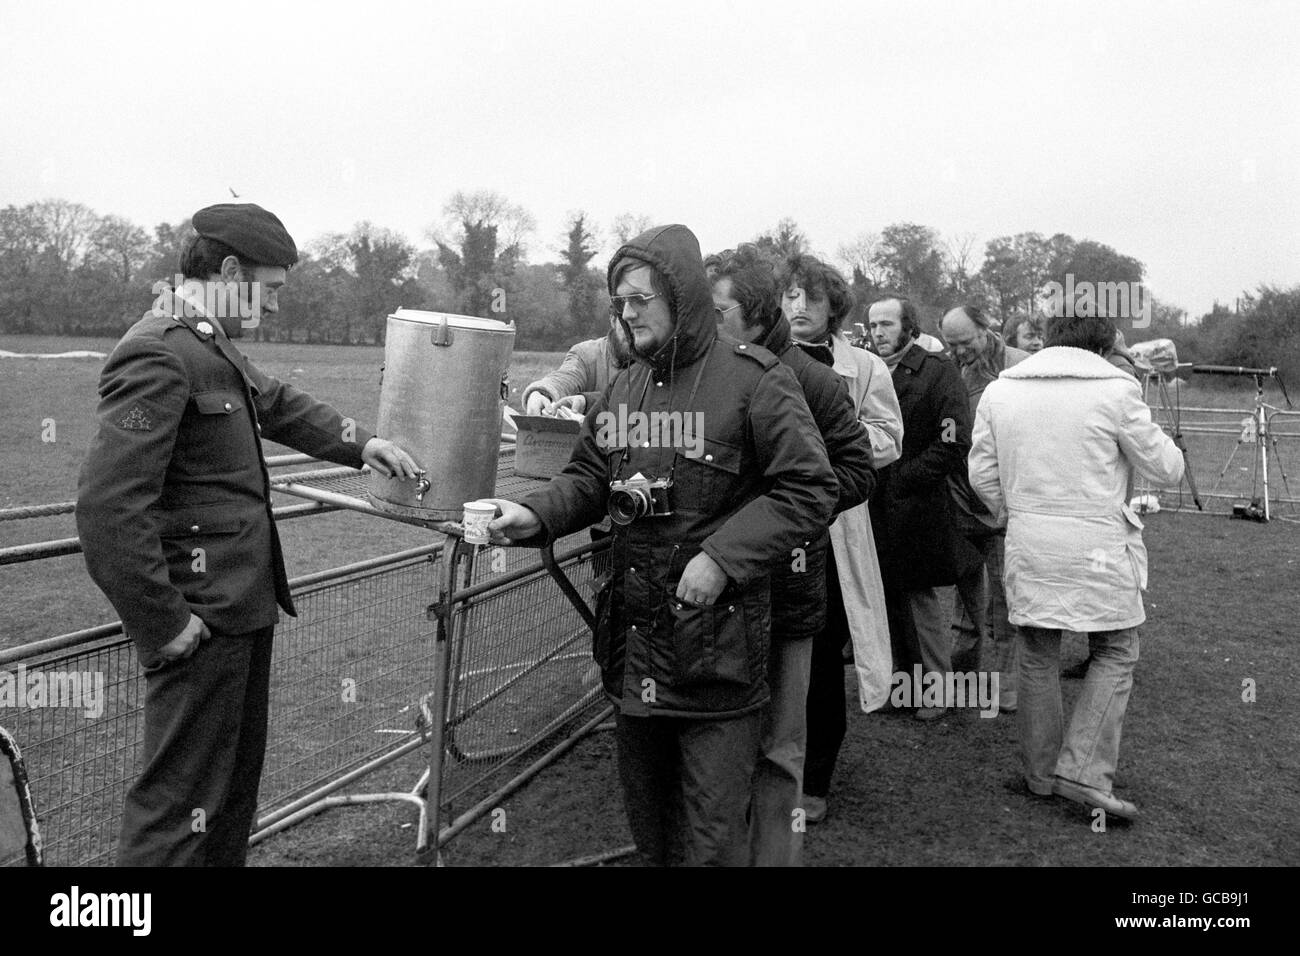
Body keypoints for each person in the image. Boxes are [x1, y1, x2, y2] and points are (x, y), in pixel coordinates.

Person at [76, 203, 422, 866]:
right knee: (176, 812)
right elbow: (106, 508)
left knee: (229, 801)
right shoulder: (158, 351)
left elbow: (277, 404)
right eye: (270, 289)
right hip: (200, 624)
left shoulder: (208, 343)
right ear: (231, 269)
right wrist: (163, 625)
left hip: (241, 613)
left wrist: (366, 443)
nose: (275, 306)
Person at [486, 224, 837, 866]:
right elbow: (590, 477)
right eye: (619, 302)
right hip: (633, 649)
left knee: (712, 840)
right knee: (654, 833)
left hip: (716, 660)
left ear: (682, 296)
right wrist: (532, 514)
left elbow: (810, 488)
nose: (627, 313)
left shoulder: (754, 381)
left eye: (640, 298)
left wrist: (723, 557)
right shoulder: (625, 387)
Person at [968, 311, 1184, 819]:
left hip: (1029, 538)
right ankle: (1082, 770)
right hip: (1099, 542)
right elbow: (1168, 468)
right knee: (1116, 647)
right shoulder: (1117, 390)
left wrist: (1013, 510)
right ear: (1107, 346)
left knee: (1038, 651)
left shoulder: (1001, 391)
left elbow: (981, 471)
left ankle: (1042, 776)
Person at [710, 246, 876, 864]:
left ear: (751, 313)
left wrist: (788, 508)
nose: (705, 322)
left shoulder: (812, 379)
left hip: (789, 582)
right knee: (719, 735)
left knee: (783, 738)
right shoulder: (706, 371)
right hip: (716, 585)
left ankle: (778, 850)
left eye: (718, 311)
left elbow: (858, 471)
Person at [777, 254, 904, 823]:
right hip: (766, 524)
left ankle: (814, 777)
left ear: (833, 307)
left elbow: (890, 437)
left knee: (821, 656)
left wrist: (824, 451)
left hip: (831, 525)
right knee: (763, 647)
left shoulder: (866, 370)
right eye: (788, 296)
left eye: (811, 298)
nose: (798, 308)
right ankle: (765, 762)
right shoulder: (754, 360)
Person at [868, 295, 976, 723]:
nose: (878, 333)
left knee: (920, 601)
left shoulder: (938, 372)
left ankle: (936, 690)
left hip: (919, 506)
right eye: (873, 325)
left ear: (909, 327)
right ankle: (901, 688)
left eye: (887, 325)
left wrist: (904, 478)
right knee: (888, 599)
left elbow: (953, 441)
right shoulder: (869, 371)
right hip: (874, 504)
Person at [938, 305, 1028, 713]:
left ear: (985, 330)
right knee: (965, 597)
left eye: (965, 342)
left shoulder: (1022, 368)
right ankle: (963, 681)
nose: (958, 351)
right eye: (950, 344)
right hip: (959, 500)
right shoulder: (950, 368)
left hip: (1006, 504)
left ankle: (1009, 687)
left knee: (1008, 599)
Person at [521, 316, 632, 416]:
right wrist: (540, 394)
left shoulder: (649, 362)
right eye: (627, 323)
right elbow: (565, 378)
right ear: (613, 320)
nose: (633, 333)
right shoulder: (587, 354)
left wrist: (586, 402)